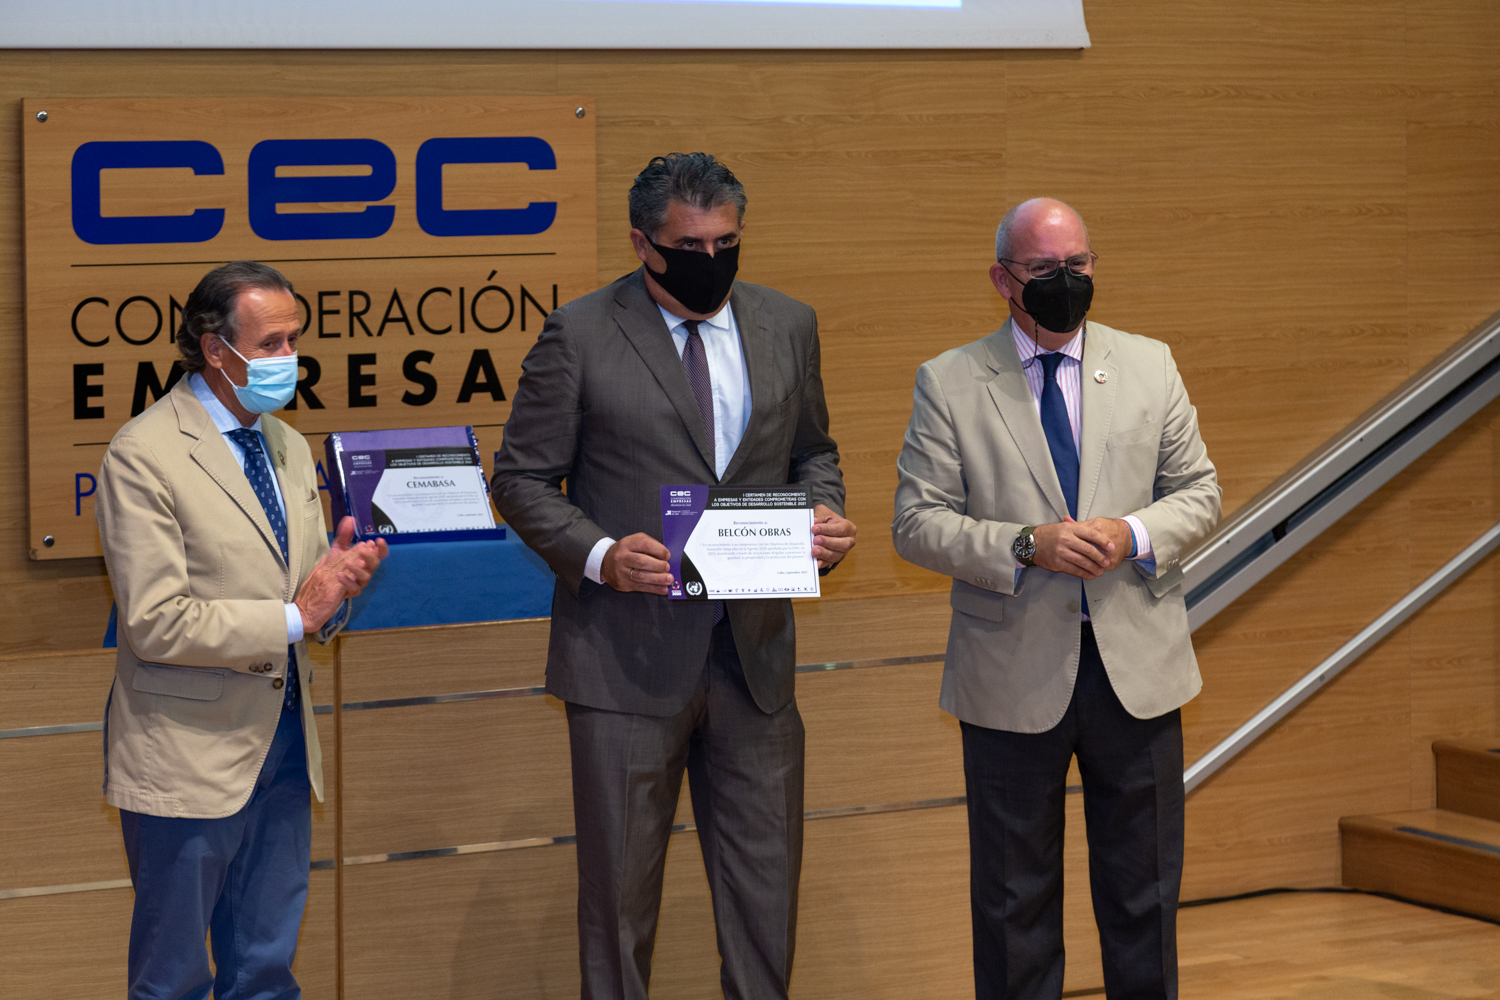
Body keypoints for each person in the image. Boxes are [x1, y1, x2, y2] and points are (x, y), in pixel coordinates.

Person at [492, 152, 856, 999]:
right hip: (625, 659)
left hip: (755, 660)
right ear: (641, 243)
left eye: (727, 241)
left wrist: (823, 514)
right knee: (618, 907)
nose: (712, 259)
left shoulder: (787, 323)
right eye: (690, 246)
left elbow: (812, 452)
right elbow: (520, 479)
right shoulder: (580, 333)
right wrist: (601, 556)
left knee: (766, 900)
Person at [891, 198, 1220, 1000]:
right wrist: (1022, 544)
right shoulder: (950, 381)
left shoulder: (1149, 364)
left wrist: (1132, 533)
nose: (1066, 281)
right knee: (1015, 907)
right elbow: (916, 523)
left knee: (1144, 896)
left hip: (1136, 671)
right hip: (1010, 673)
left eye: (1078, 265)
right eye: (1044, 269)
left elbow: (1199, 494)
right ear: (1003, 278)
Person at [96, 261, 388, 1000]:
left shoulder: (285, 443)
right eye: (270, 344)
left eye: (294, 339)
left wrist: (336, 589)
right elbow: (155, 621)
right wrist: (297, 614)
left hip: (284, 746)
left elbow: (305, 594)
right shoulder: (143, 453)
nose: (289, 357)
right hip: (187, 755)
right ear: (214, 349)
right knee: (172, 980)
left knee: (264, 974)